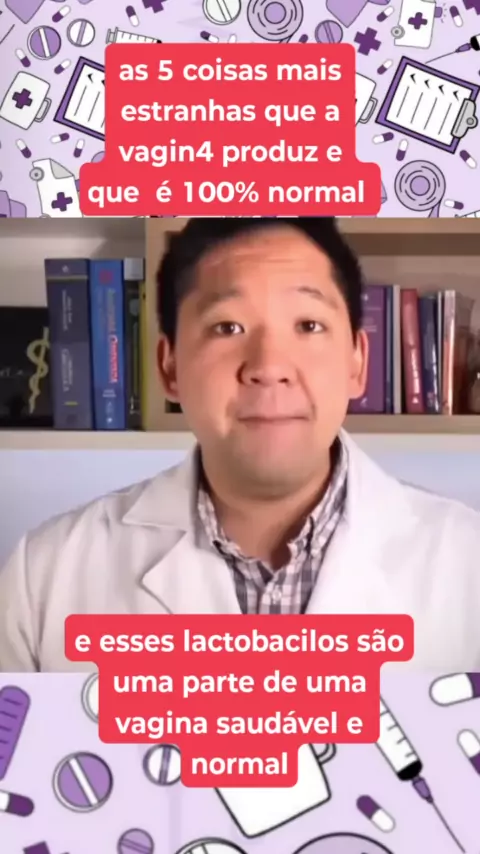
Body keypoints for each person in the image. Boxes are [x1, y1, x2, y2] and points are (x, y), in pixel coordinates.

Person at [1, 216, 480, 672]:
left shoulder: (466, 561)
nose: (269, 366)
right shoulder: (43, 575)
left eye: (308, 326)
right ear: (169, 367)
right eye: (227, 327)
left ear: (358, 362)